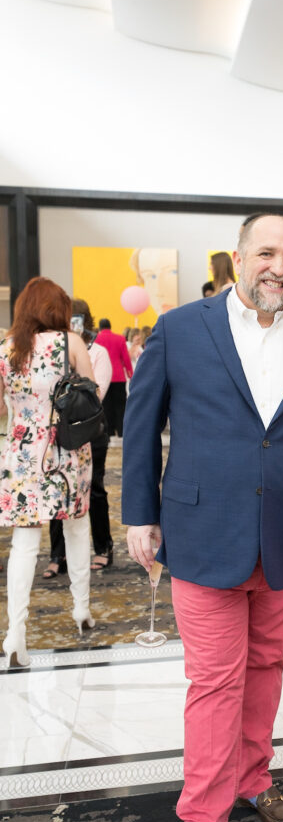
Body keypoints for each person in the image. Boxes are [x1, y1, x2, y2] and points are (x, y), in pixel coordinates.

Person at [122, 214, 283, 822]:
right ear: (239, 259)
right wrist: (140, 514)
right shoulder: (181, 328)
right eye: (266, 253)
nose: (277, 266)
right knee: (215, 683)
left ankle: (255, 780)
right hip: (203, 534)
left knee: (266, 671)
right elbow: (142, 422)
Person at [0, 277, 96, 669]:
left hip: (20, 453)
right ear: (58, 308)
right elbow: (94, 396)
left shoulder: (7, 348)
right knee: (76, 528)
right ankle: (81, 610)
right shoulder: (69, 343)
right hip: (65, 451)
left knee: (24, 545)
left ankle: (14, 634)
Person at [45, 298, 113, 578]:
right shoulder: (54, 352)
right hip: (57, 432)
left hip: (90, 431)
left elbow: (95, 397)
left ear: (85, 321)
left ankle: (103, 547)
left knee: (94, 488)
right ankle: (57, 554)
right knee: (55, 491)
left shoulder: (98, 353)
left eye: (76, 319)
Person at [95, 318, 133, 437]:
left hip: (102, 377)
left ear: (100, 327)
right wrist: (130, 372)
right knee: (120, 405)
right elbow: (126, 358)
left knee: (106, 406)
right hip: (118, 377)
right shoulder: (120, 338)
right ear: (110, 327)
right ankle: (121, 431)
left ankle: (109, 431)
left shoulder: (96, 339)